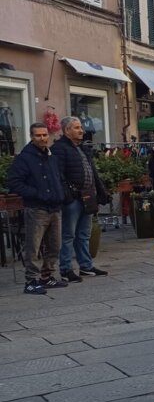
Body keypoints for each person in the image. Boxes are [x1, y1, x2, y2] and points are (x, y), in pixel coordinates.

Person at [7, 122, 66, 294]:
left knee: (55, 246)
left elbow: (58, 178)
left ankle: (47, 277)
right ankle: (31, 281)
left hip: (55, 207)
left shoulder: (51, 155)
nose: (42, 138)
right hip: (36, 208)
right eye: (38, 135)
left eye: (45, 135)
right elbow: (14, 183)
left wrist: (60, 194)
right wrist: (38, 193)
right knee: (33, 246)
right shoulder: (25, 158)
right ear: (32, 137)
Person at [53, 116, 109, 282]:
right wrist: (67, 197)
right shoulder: (59, 148)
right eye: (77, 128)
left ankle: (86, 266)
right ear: (67, 130)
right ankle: (66, 269)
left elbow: (93, 173)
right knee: (68, 235)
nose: (81, 131)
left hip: (87, 197)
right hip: (73, 199)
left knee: (84, 234)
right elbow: (58, 175)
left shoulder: (83, 148)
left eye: (80, 128)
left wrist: (100, 192)